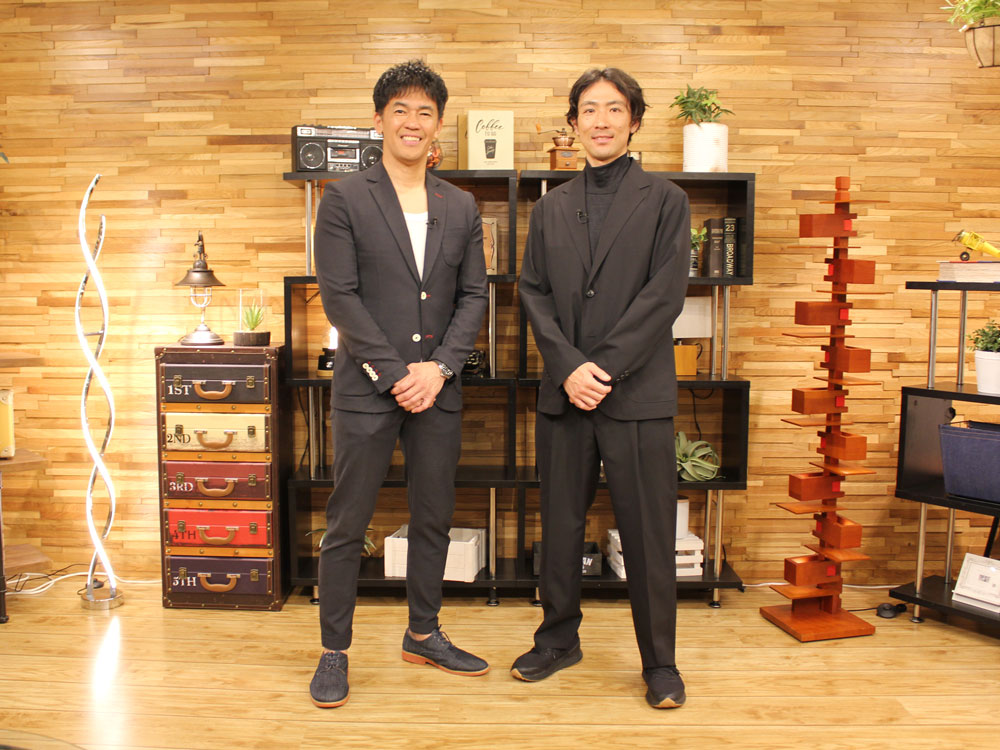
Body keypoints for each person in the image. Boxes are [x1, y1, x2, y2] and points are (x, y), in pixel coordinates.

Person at [310, 59, 490, 708]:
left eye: (425, 112)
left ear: (438, 124)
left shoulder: (460, 205)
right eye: (401, 110)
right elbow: (340, 297)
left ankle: (423, 634)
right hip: (367, 389)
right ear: (380, 120)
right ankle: (334, 651)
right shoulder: (344, 198)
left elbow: (474, 297)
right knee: (346, 521)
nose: (412, 122)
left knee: (433, 516)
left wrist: (438, 369)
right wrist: (395, 374)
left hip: (437, 388)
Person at [514, 67, 691, 709]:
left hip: (636, 396)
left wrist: (603, 369)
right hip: (565, 396)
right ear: (573, 123)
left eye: (614, 109)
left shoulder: (666, 201)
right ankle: (558, 640)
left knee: (648, 535)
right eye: (589, 109)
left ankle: (660, 663)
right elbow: (533, 293)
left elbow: (663, 296)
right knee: (560, 528)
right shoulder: (551, 206)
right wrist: (568, 367)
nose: (601, 120)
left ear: (634, 121)